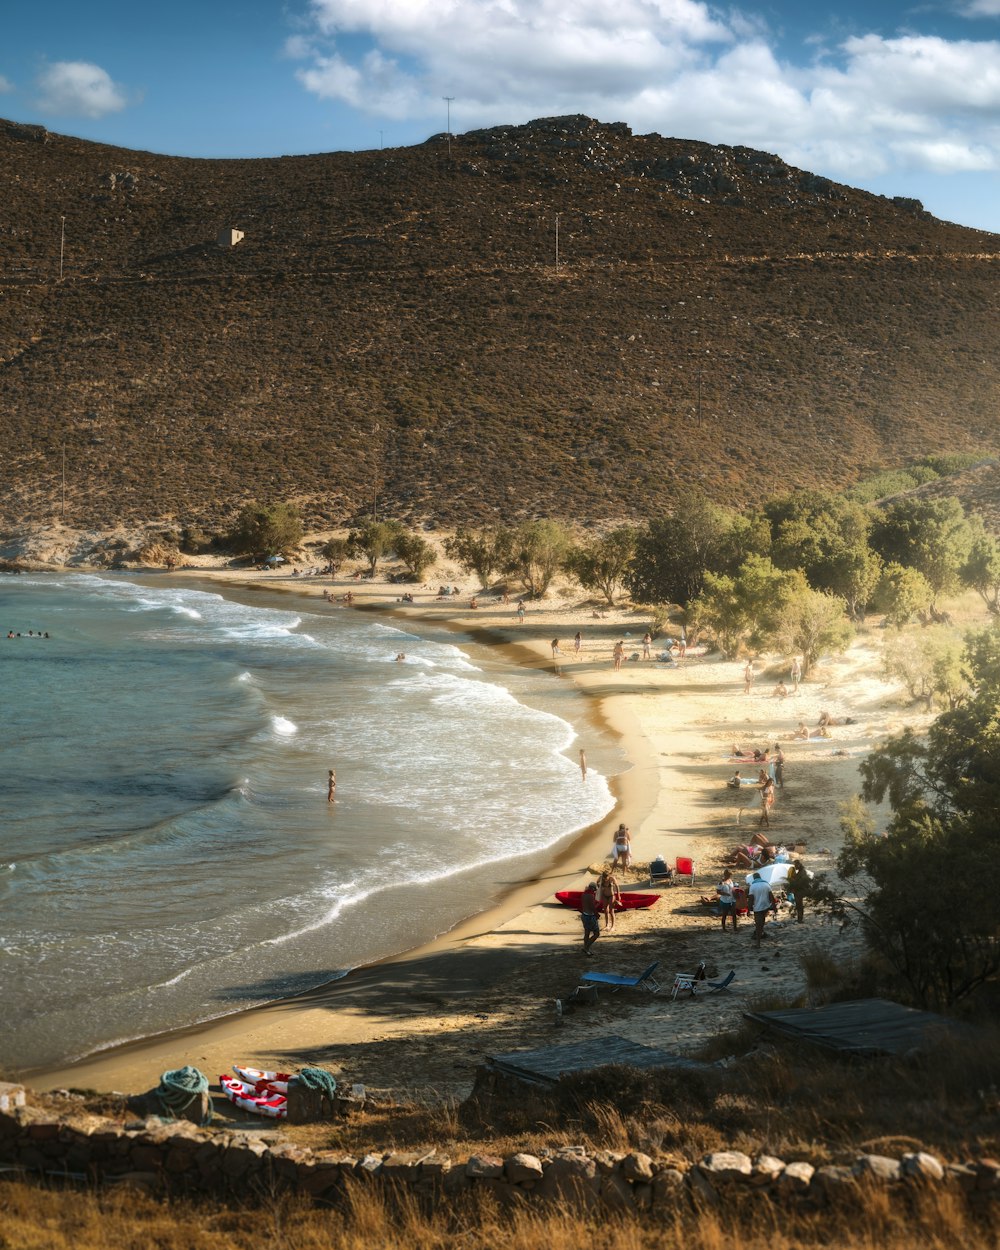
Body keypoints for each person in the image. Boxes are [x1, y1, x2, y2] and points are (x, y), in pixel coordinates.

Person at [748, 871, 776, 944]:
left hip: (757, 907)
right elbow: (771, 897)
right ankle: (761, 932)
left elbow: (751, 899)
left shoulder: (752, 886)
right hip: (765, 906)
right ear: (760, 877)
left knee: (758, 924)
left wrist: (749, 909)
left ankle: (758, 942)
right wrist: (774, 907)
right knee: (762, 921)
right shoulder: (766, 884)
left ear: (754, 878)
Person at [786, 858, 812, 923]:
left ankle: (800, 919)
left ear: (798, 865)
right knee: (799, 905)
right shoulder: (802, 871)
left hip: (800, 891)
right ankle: (799, 918)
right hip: (800, 890)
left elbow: (800, 882)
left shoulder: (802, 872)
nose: (795, 866)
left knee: (799, 905)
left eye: (795, 865)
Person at [580, 882, 601, 955]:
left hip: (584, 915)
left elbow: (586, 905)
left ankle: (586, 950)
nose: (595, 891)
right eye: (594, 889)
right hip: (590, 916)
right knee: (596, 934)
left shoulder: (584, 894)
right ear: (592, 888)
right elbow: (592, 908)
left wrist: (596, 904)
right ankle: (586, 948)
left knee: (587, 933)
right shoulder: (591, 895)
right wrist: (597, 914)